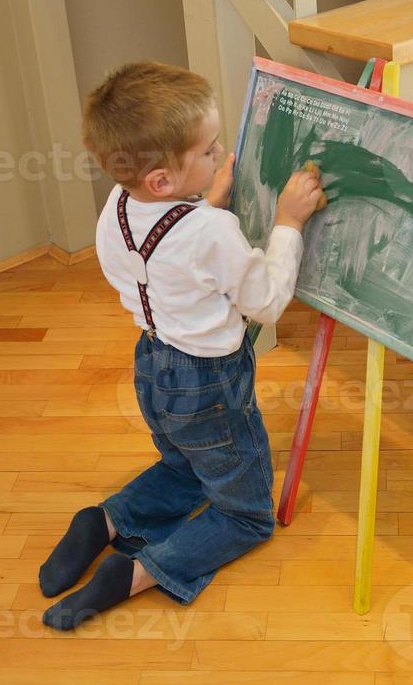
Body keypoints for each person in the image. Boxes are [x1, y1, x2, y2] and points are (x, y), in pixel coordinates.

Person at [39, 60, 325, 631]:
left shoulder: (117, 209)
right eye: (208, 150)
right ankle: (139, 572)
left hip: (153, 366)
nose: (221, 154)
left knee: (185, 465)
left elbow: (168, 257)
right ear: (163, 182)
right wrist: (288, 224)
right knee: (246, 515)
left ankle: (105, 521)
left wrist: (206, 201)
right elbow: (265, 303)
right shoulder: (211, 233)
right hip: (210, 385)